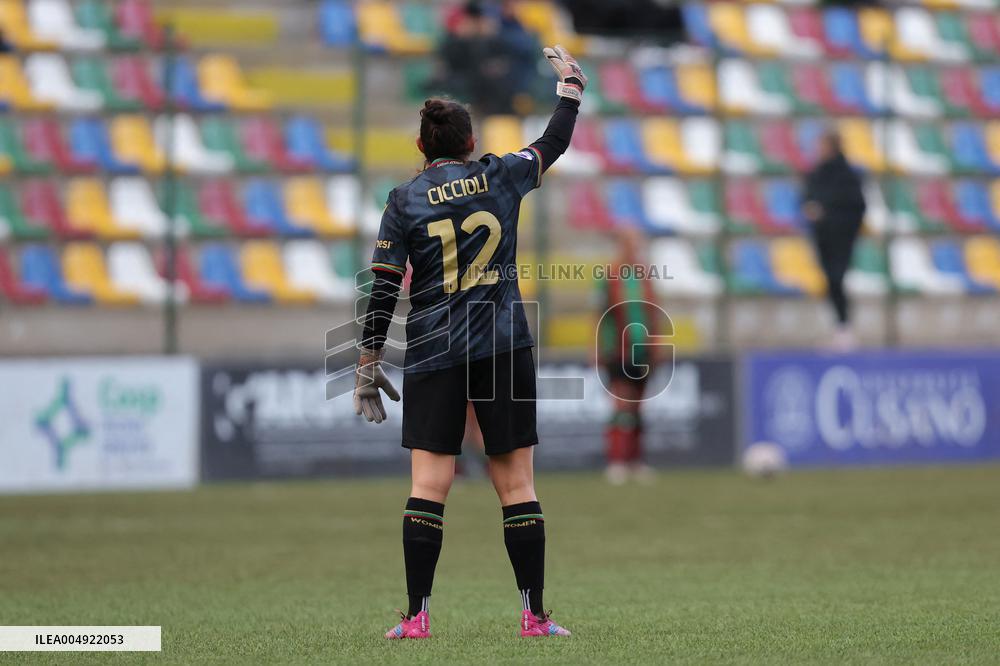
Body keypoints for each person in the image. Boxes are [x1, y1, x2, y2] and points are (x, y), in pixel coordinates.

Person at [353, 46, 587, 639]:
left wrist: (367, 359)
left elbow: (383, 291)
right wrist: (571, 88)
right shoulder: (499, 175)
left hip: (434, 347)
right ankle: (534, 617)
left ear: (421, 148)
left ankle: (416, 618)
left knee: (428, 487)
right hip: (504, 345)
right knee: (517, 485)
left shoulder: (403, 202)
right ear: (469, 139)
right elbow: (552, 143)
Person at [596, 227, 660, 485]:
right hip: (618, 349)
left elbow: (654, 311)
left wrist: (657, 344)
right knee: (621, 404)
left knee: (638, 408)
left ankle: (635, 461)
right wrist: (597, 348)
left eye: (637, 242)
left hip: (642, 349)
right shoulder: (610, 275)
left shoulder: (644, 275)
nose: (634, 248)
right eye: (630, 242)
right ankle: (616, 461)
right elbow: (598, 314)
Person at [802, 131, 866, 351]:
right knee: (829, 282)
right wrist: (811, 211)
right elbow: (806, 198)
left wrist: (829, 216)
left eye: (822, 144)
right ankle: (837, 328)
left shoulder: (847, 175)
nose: (818, 149)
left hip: (841, 238)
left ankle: (844, 328)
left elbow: (857, 207)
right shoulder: (816, 173)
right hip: (822, 238)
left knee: (837, 280)